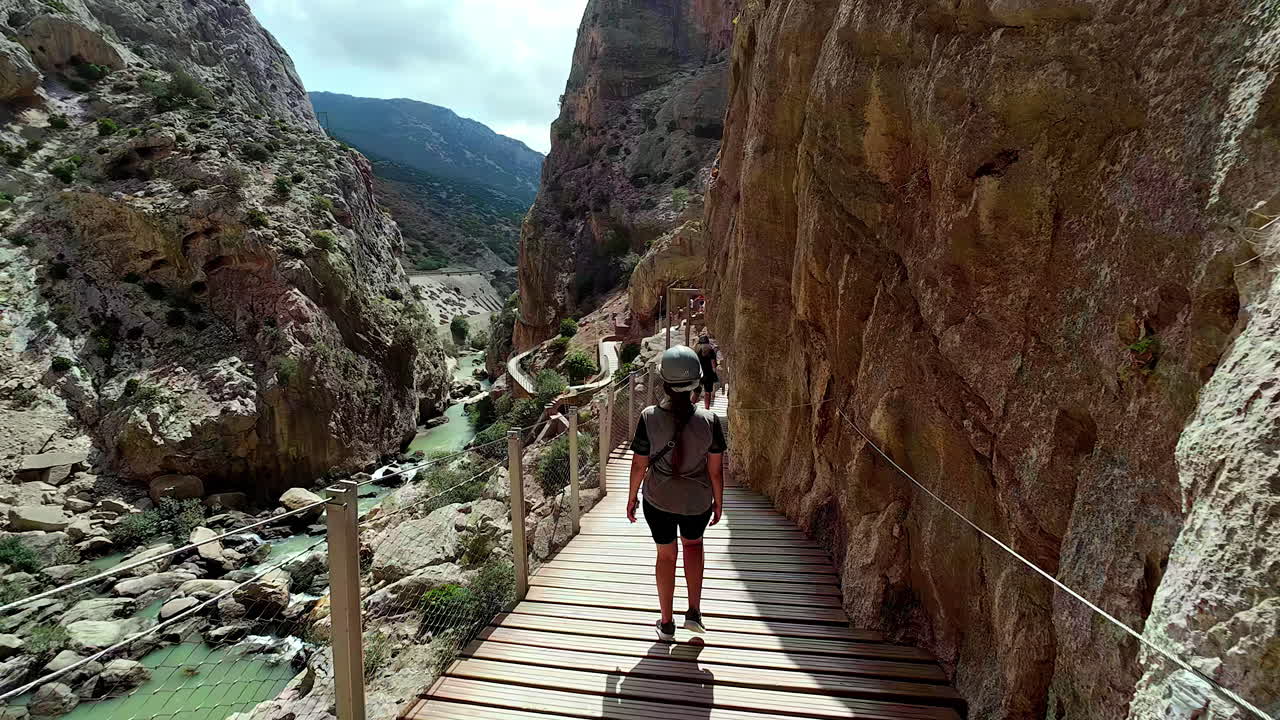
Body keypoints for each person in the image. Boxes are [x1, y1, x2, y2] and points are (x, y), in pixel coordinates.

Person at [627, 346, 727, 641]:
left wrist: (631, 497)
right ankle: (694, 613)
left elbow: (639, 465)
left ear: (664, 383)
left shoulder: (648, 417)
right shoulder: (710, 421)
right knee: (693, 546)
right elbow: (715, 471)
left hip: (658, 500)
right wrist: (718, 502)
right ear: (697, 382)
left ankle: (666, 622)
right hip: (697, 501)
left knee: (666, 555)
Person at [694, 335, 719, 410]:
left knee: (696, 392)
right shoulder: (710, 350)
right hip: (708, 373)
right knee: (707, 392)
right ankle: (707, 409)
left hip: (698, 373)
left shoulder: (696, 350)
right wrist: (714, 371)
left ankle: (690, 407)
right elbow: (713, 362)